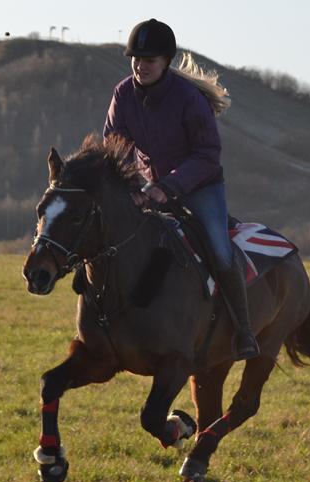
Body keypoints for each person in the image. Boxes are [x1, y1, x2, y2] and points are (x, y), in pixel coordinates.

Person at [102, 18, 260, 360]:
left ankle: (244, 331)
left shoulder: (189, 98)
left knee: (219, 251)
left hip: (201, 186)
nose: (140, 67)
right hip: (152, 184)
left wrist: (168, 188)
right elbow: (114, 150)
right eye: (136, 59)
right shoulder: (123, 94)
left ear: (166, 62)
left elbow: (207, 155)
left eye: (149, 61)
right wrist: (132, 187)